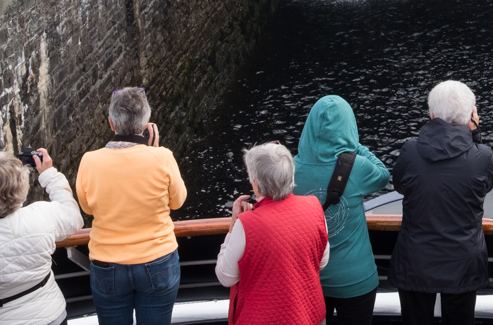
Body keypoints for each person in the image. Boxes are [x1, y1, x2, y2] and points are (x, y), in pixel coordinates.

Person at [388, 80, 493, 325]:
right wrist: (475, 134)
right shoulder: (483, 157)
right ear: (471, 115)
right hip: (463, 263)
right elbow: (486, 186)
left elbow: (400, 186)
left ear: (432, 115)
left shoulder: (410, 151)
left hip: (415, 262)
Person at [74, 87, 187, 325]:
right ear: (147, 124)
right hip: (157, 259)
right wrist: (153, 152)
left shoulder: (89, 161)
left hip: (108, 265)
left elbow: (87, 209)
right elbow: (177, 202)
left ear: (111, 123)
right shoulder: (162, 157)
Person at [0, 149, 84, 325]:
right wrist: (49, 175)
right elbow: (74, 218)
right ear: (19, 187)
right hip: (50, 313)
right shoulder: (41, 214)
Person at [294, 95, 391, 325]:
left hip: (311, 280)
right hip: (356, 279)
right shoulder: (356, 167)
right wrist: (354, 147)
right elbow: (383, 175)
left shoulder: (291, 168)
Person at [214, 142, 331, 325]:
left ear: (258, 187)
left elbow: (226, 276)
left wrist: (233, 224)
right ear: (290, 175)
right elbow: (322, 262)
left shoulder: (246, 224)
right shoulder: (315, 206)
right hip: (310, 315)